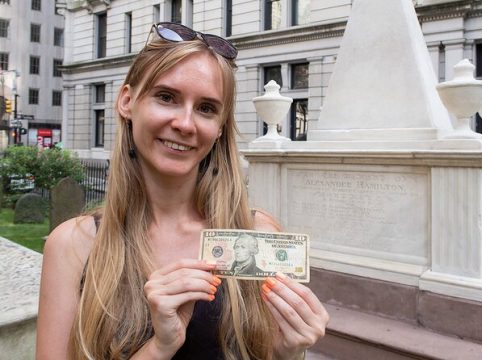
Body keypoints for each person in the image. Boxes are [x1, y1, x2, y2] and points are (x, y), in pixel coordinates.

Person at [36, 22, 328, 360]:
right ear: (127, 102)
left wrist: (288, 351)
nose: (185, 124)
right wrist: (159, 347)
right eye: (166, 97)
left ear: (219, 127)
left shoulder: (257, 233)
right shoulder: (74, 245)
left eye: (206, 108)